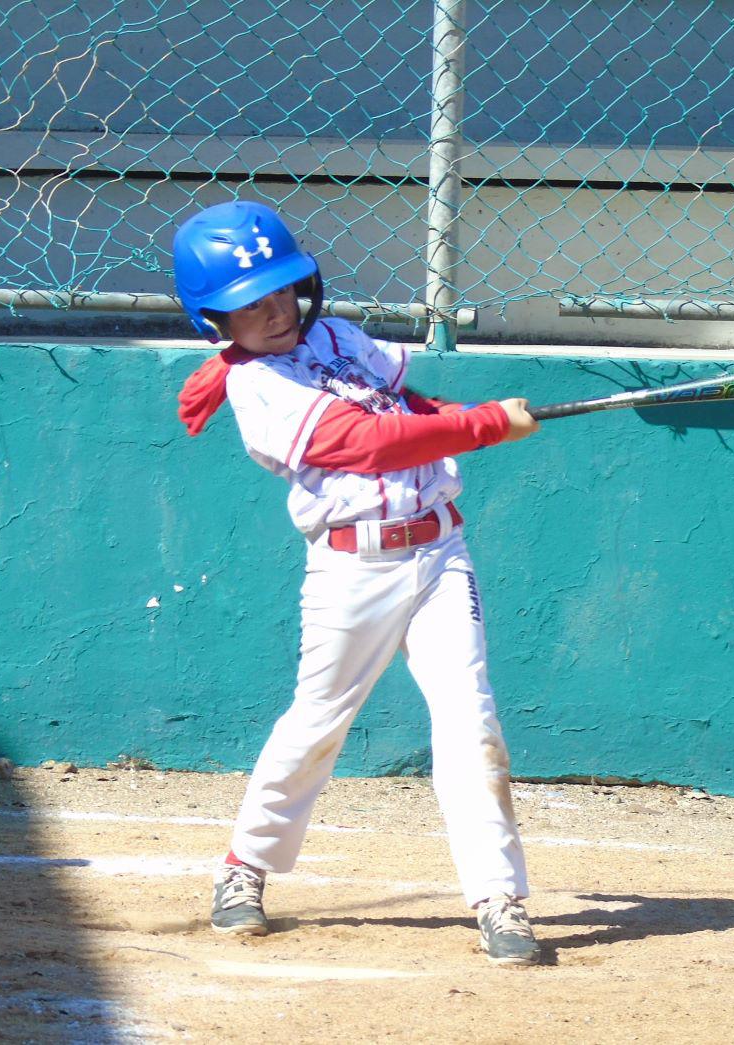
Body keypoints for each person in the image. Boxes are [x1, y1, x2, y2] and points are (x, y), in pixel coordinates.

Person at [172, 200, 544, 965]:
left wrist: (469, 414)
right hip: (353, 566)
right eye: (249, 305)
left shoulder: (335, 337)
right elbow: (366, 442)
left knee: (471, 719)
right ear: (215, 319)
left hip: (442, 552)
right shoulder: (257, 389)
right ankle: (246, 866)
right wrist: (481, 427)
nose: (274, 311)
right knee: (318, 721)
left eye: (282, 291)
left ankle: (497, 896)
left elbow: (399, 406)